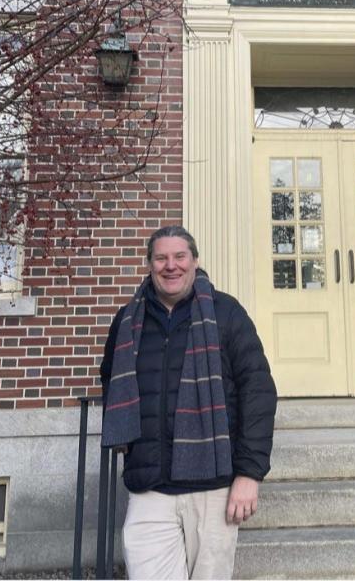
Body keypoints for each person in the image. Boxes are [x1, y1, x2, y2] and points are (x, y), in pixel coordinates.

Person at [99, 225, 277, 580]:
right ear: (149, 264)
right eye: (161, 258)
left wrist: (249, 473)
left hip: (212, 487)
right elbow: (111, 382)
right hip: (150, 487)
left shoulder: (226, 314)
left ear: (195, 261)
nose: (171, 266)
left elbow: (257, 392)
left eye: (180, 256)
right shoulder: (127, 321)